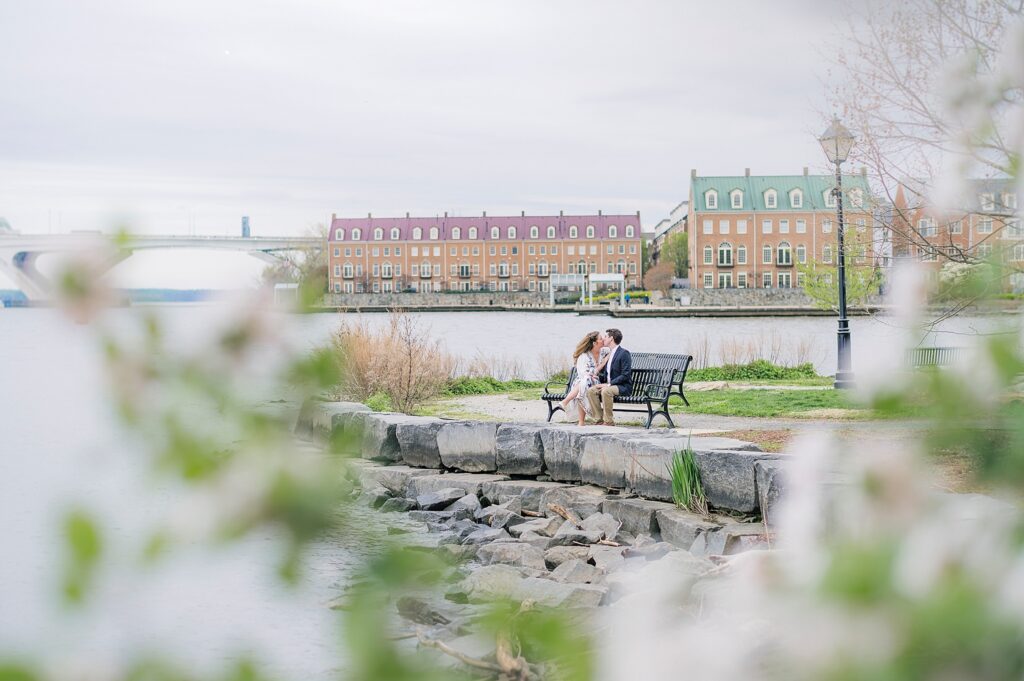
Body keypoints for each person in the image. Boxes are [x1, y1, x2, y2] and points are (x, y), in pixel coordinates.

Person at [559, 331, 610, 426]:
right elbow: (583, 374)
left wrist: (603, 362)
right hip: (584, 382)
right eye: (600, 338)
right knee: (585, 383)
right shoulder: (584, 356)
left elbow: (614, 350)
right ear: (594, 343)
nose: (603, 339)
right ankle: (580, 421)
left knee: (584, 384)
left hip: (596, 382)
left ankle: (566, 403)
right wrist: (601, 365)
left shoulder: (605, 351)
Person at [586, 328, 632, 426]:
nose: (604, 339)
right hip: (609, 385)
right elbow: (607, 374)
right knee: (591, 391)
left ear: (611, 338)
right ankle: (598, 419)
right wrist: (597, 377)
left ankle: (608, 421)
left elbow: (625, 375)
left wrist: (609, 384)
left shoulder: (624, 353)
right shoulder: (609, 354)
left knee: (606, 391)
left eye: (606, 337)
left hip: (622, 386)